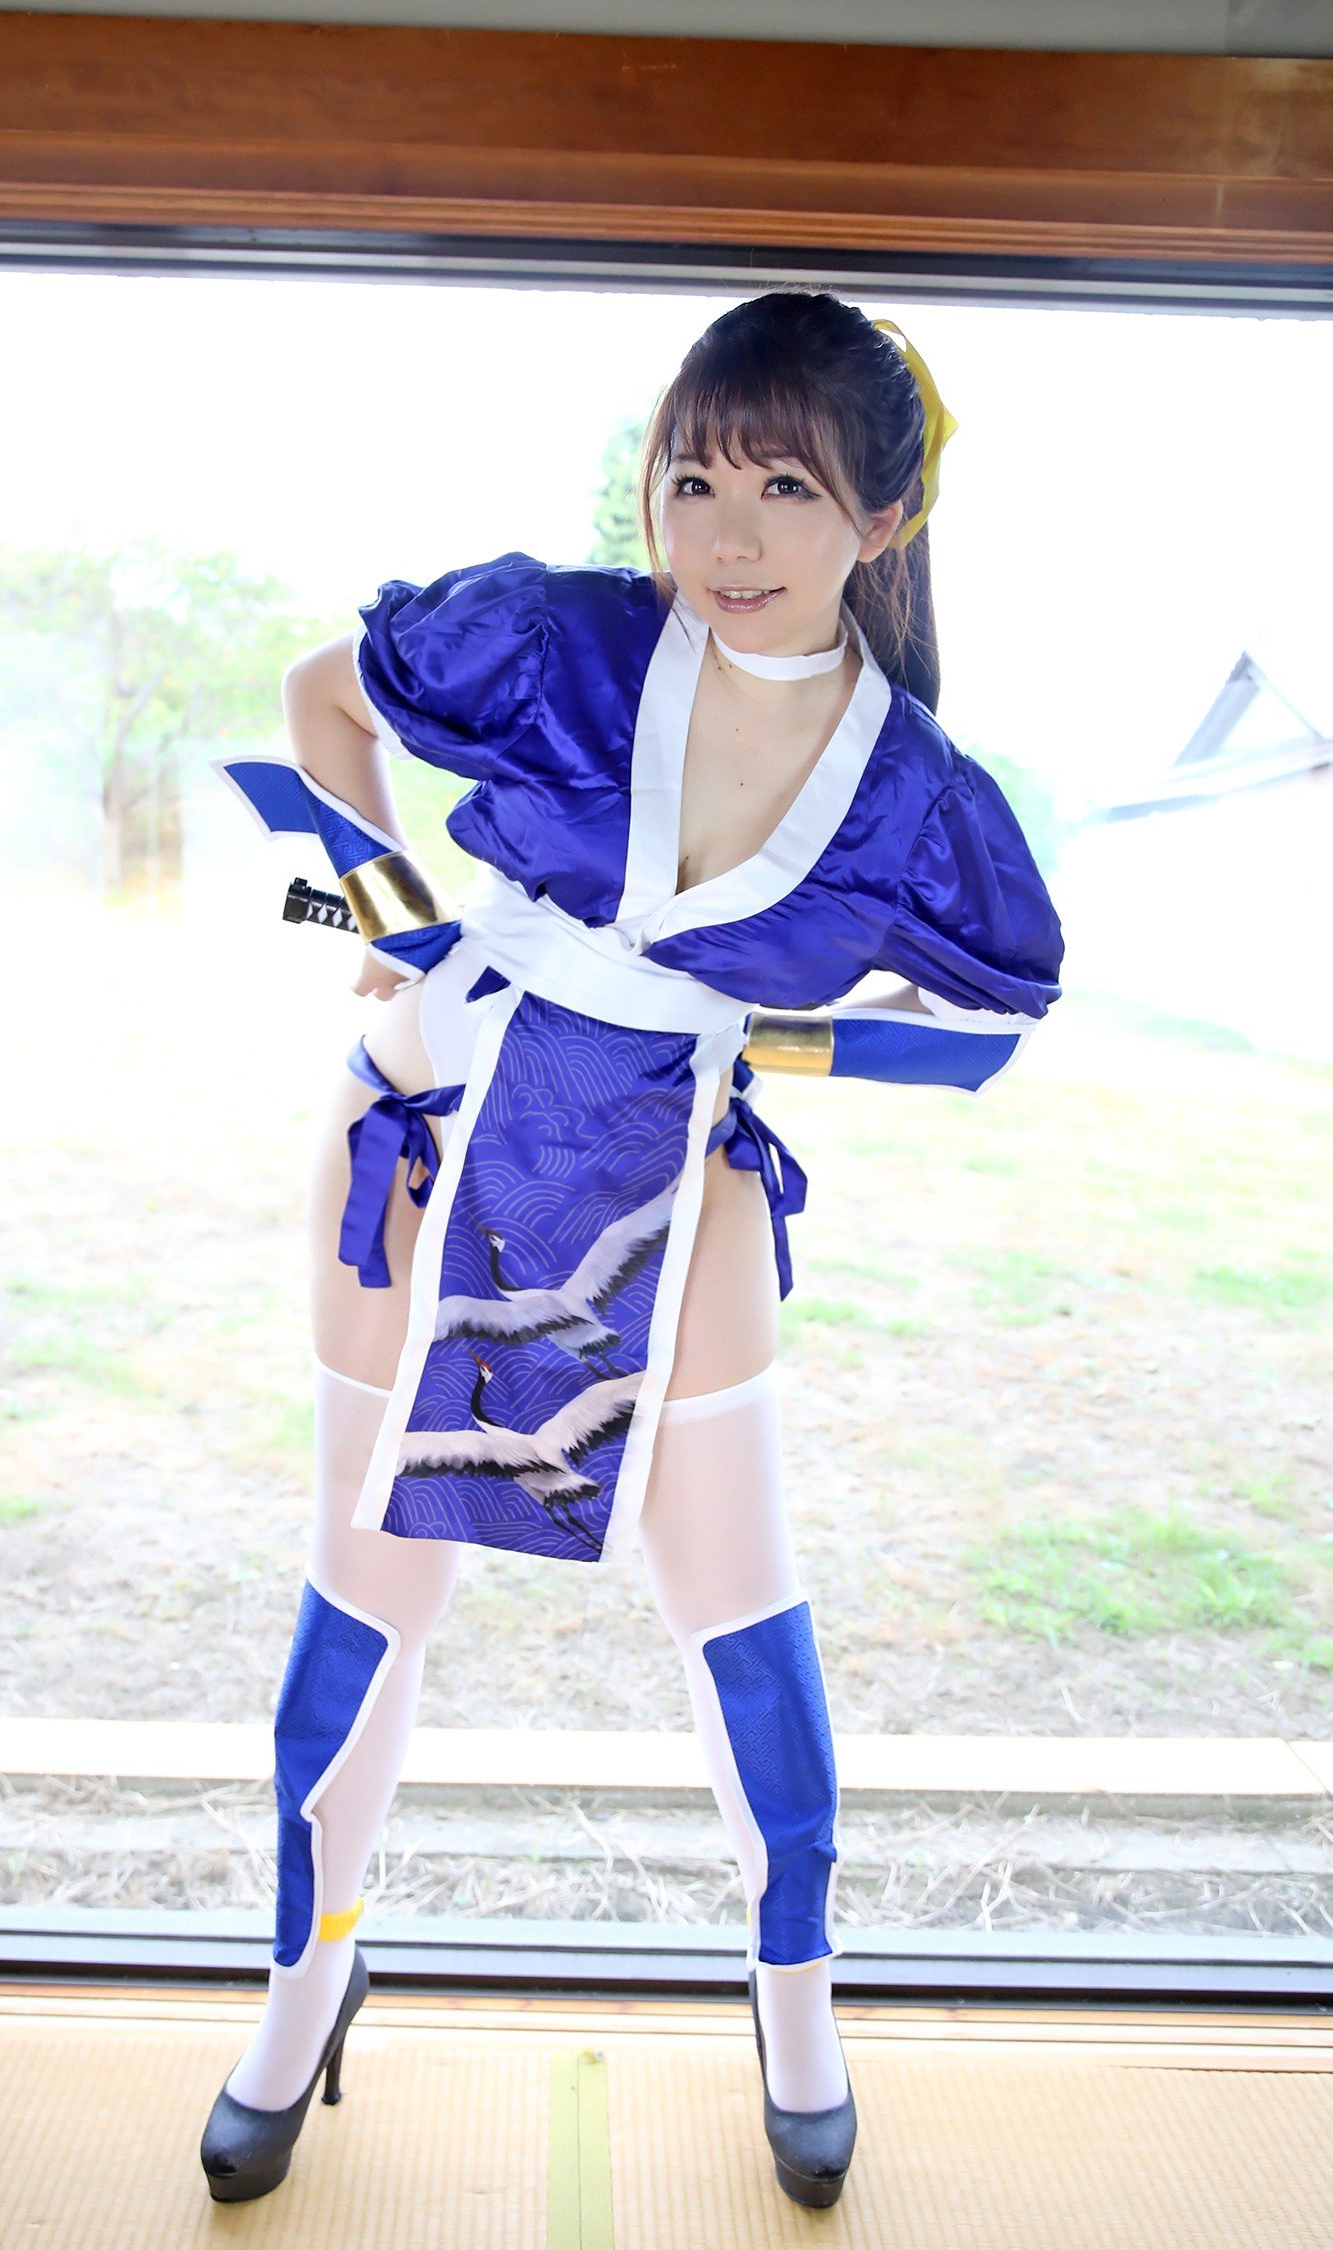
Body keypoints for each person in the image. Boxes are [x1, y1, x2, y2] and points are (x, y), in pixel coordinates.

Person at [199, 288, 1064, 2211]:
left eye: (784, 487)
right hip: (421, 1131)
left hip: (679, 1180)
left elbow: (1000, 1006)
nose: (725, 535)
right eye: (692, 478)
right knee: (366, 1581)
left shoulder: (918, 795)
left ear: (883, 518)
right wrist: (390, 913)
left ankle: (796, 1997)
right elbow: (320, 694)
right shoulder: (569, 640)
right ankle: (305, 1978)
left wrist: (769, 1043)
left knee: (736, 1598)